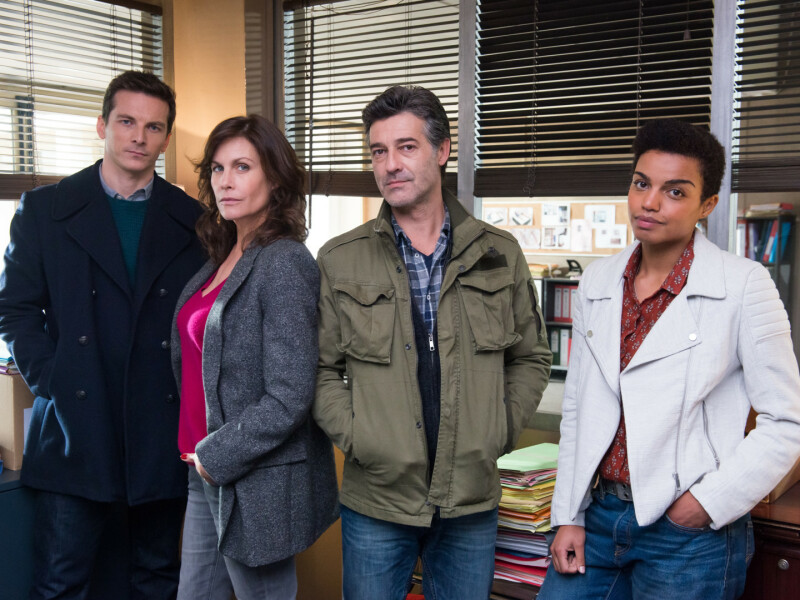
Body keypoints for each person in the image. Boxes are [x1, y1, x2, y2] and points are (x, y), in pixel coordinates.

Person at [539, 119, 800, 599]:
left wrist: (705, 503)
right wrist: (568, 514)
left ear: (708, 205)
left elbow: (786, 421)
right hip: (597, 517)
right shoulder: (597, 281)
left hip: (687, 536)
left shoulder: (744, 285)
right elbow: (578, 407)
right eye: (642, 184)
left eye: (675, 191)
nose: (650, 202)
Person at [313, 85, 552, 600]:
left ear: (442, 150)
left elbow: (531, 357)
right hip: (376, 498)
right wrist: (360, 438)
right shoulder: (339, 258)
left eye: (406, 147)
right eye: (379, 151)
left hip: (471, 499)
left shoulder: (499, 253)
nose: (390, 165)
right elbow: (320, 369)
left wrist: (498, 429)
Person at [0, 71, 206, 599]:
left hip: (159, 426)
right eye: (126, 121)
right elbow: (15, 309)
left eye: (153, 127)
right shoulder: (45, 210)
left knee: (155, 578)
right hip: (75, 424)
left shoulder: (193, 220)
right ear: (102, 125)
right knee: (60, 583)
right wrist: (54, 380)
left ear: (166, 138)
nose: (139, 137)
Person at [173, 115, 339, 600]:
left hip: (250, 478)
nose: (225, 181)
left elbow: (290, 395)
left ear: (276, 178)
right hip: (202, 465)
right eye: (218, 168)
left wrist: (215, 456)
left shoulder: (284, 262)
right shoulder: (225, 253)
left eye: (242, 167)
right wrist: (203, 458)